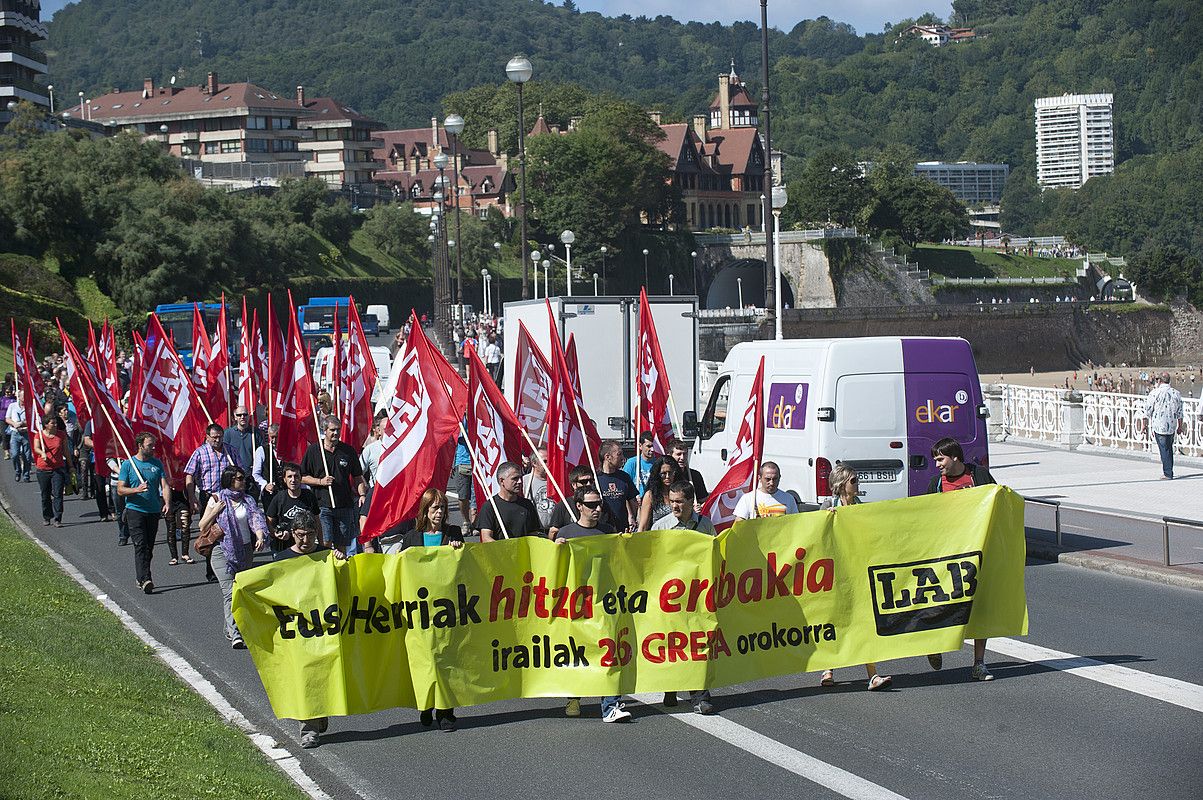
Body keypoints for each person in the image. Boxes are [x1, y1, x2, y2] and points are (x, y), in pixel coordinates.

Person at [553, 486, 629, 723]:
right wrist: (557, 549)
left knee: (609, 651)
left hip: (603, 603)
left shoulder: (608, 531)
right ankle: (574, 696)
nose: (597, 509)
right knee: (578, 651)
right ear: (578, 506)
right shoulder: (566, 533)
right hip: (575, 605)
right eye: (591, 505)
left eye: (599, 505)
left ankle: (610, 706)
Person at [925, 437, 997, 682]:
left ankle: (979, 663)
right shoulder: (936, 484)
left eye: (940, 459)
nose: (937, 465)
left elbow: (997, 501)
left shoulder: (980, 476)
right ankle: (934, 645)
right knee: (943, 604)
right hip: (946, 554)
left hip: (976, 552)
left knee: (979, 608)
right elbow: (925, 515)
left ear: (955, 457)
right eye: (935, 460)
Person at [818, 465, 892, 691]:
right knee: (835, 621)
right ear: (841, 484)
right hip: (835, 573)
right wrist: (826, 520)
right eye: (853, 480)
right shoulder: (829, 506)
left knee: (863, 623)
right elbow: (816, 537)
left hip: (857, 572)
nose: (857, 484)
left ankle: (873, 675)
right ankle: (828, 669)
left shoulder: (860, 508)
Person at [398, 488, 464, 731]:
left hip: (447, 609)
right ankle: (426, 705)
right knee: (425, 660)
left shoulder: (453, 533)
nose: (439, 512)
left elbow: (465, 567)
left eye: (443, 508)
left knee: (446, 658)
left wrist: (458, 549)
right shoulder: (412, 537)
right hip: (421, 611)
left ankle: (446, 711)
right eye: (435, 508)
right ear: (425, 511)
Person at [651, 481, 717, 713]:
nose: (675, 506)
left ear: (691, 502)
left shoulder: (706, 526)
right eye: (672, 501)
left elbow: (715, 555)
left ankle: (700, 695)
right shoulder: (661, 526)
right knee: (672, 644)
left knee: (698, 644)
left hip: (697, 597)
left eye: (680, 501)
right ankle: (670, 687)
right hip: (669, 598)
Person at [268, 510, 329, 747]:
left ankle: (319, 714)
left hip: (324, 627)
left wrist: (340, 561)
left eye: (310, 535)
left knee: (322, 675)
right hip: (296, 630)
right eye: (301, 535)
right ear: (292, 534)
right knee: (304, 677)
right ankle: (308, 728)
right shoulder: (281, 560)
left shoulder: (324, 555)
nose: (305, 541)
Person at [198, 467, 268, 649]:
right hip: (222, 551)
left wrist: (260, 536)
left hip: (244, 550)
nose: (243, 481)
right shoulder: (217, 498)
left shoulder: (248, 500)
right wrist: (215, 511)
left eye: (243, 478)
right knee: (230, 592)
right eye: (239, 478)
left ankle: (228, 627)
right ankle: (236, 633)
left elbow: (256, 519)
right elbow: (202, 525)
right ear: (229, 480)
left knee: (241, 590)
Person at [301, 416, 366, 558]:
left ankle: (340, 571)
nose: (336, 433)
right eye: (332, 430)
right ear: (324, 430)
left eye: (338, 430)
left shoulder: (348, 451)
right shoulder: (314, 450)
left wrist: (362, 495)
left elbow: (357, 477)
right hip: (322, 505)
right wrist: (320, 482)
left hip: (344, 505)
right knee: (325, 541)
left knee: (342, 544)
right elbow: (303, 476)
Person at [185, 423, 242, 582]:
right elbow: (189, 475)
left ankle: (234, 565)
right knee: (209, 532)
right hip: (209, 497)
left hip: (229, 497)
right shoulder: (200, 453)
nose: (218, 440)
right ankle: (211, 570)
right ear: (207, 437)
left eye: (220, 437)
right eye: (214, 437)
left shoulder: (230, 451)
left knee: (231, 531)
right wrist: (192, 497)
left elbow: (241, 471)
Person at [116, 433, 170, 594]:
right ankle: (145, 578)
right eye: (149, 445)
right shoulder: (128, 464)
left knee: (149, 547)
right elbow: (120, 489)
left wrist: (167, 502)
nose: (153, 448)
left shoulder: (156, 463)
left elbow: (165, 485)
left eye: (154, 445)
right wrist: (136, 490)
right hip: (135, 510)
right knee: (140, 545)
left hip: (153, 511)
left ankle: (142, 577)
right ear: (140, 445)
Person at [476, 461, 542, 542]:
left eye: (520, 478)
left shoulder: (527, 504)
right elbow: (486, 537)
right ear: (501, 481)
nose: (519, 482)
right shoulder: (490, 506)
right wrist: (505, 549)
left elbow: (534, 532)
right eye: (515, 478)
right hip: (501, 553)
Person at [266, 462, 320, 556]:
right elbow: (269, 521)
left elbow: (317, 522)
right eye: (289, 476)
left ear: (301, 478)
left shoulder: (309, 496)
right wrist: (276, 533)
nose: (293, 480)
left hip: (306, 545)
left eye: (296, 476)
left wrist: (321, 543)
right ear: (284, 479)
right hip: (284, 548)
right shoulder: (279, 498)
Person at [1141, 372, 1185, 480]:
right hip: (1171, 425)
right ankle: (1169, 470)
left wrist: (1144, 425)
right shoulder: (1176, 393)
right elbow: (1180, 412)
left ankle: (1168, 473)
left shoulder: (1154, 393)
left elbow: (1147, 411)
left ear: (1159, 381)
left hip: (1159, 425)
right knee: (1169, 448)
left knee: (1164, 449)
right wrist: (1180, 426)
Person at [547, 466, 613, 538]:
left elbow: (609, 530)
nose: (588, 484)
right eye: (584, 482)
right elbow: (553, 532)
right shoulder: (564, 505)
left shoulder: (602, 504)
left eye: (591, 481)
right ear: (574, 485)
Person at [32, 413, 72, 527]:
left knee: (58, 493)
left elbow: (66, 451)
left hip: (57, 469)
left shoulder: (61, 435)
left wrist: (71, 466)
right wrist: (42, 453)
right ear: (46, 425)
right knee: (45, 494)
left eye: (55, 423)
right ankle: (47, 516)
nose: (55, 425)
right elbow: (36, 448)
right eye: (52, 423)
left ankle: (58, 518)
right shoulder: (39, 435)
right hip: (43, 469)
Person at [597, 440, 639, 532]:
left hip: (623, 529)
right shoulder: (595, 479)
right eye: (619, 454)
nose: (623, 458)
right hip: (601, 530)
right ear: (607, 457)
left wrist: (632, 517)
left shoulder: (624, 477)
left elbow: (632, 501)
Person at [733, 462, 798, 520]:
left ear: (779, 477)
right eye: (768, 479)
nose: (771, 483)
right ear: (759, 478)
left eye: (775, 479)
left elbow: (795, 523)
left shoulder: (788, 498)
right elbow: (739, 524)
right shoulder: (748, 498)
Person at [223, 406, 263, 498]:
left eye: (245, 414)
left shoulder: (256, 433)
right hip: (234, 479)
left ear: (248, 416)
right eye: (239, 415)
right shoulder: (227, 434)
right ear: (235, 417)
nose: (242, 417)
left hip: (251, 478)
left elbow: (261, 453)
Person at [637, 456, 681, 531]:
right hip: (657, 538)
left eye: (670, 473)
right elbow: (643, 526)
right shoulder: (650, 495)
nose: (667, 476)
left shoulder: (681, 493)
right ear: (657, 474)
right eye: (663, 473)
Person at [521, 445, 556, 530]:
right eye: (545, 461)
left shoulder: (557, 481)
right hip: (535, 531)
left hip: (554, 530)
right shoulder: (524, 481)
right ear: (534, 463)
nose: (548, 464)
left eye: (550, 461)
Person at [252, 423, 283, 507]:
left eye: (276, 437)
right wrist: (265, 485)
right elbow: (255, 474)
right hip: (269, 494)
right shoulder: (261, 450)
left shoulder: (287, 450)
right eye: (271, 437)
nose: (274, 440)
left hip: (286, 493)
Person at [449, 433, 475, 528]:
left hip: (478, 461)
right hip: (463, 462)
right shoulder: (460, 419)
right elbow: (452, 442)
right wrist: (450, 463)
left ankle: (475, 522)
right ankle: (466, 521)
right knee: (463, 496)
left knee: (477, 496)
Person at [670, 439, 709, 504]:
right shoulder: (667, 477)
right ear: (670, 455)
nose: (682, 457)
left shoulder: (695, 475)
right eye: (678, 454)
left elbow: (703, 499)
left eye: (684, 454)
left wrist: (700, 506)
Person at [6, 388, 31, 482]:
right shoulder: (12, 406)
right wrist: (14, 423)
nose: (25, 398)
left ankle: (26, 475)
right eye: (23, 396)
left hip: (26, 433)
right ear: (19, 397)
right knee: (15, 454)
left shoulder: (29, 407)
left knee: (27, 456)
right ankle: (17, 471)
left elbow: (32, 420)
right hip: (15, 433)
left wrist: (23, 424)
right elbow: (7, 418)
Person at [359, 414, 386, 488]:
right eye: (386, 429)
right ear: (379, 431)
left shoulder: (401, 448)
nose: (389, 432)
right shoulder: (370, 449)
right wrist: (365, 490)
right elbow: (358, 473)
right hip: (375, 491)